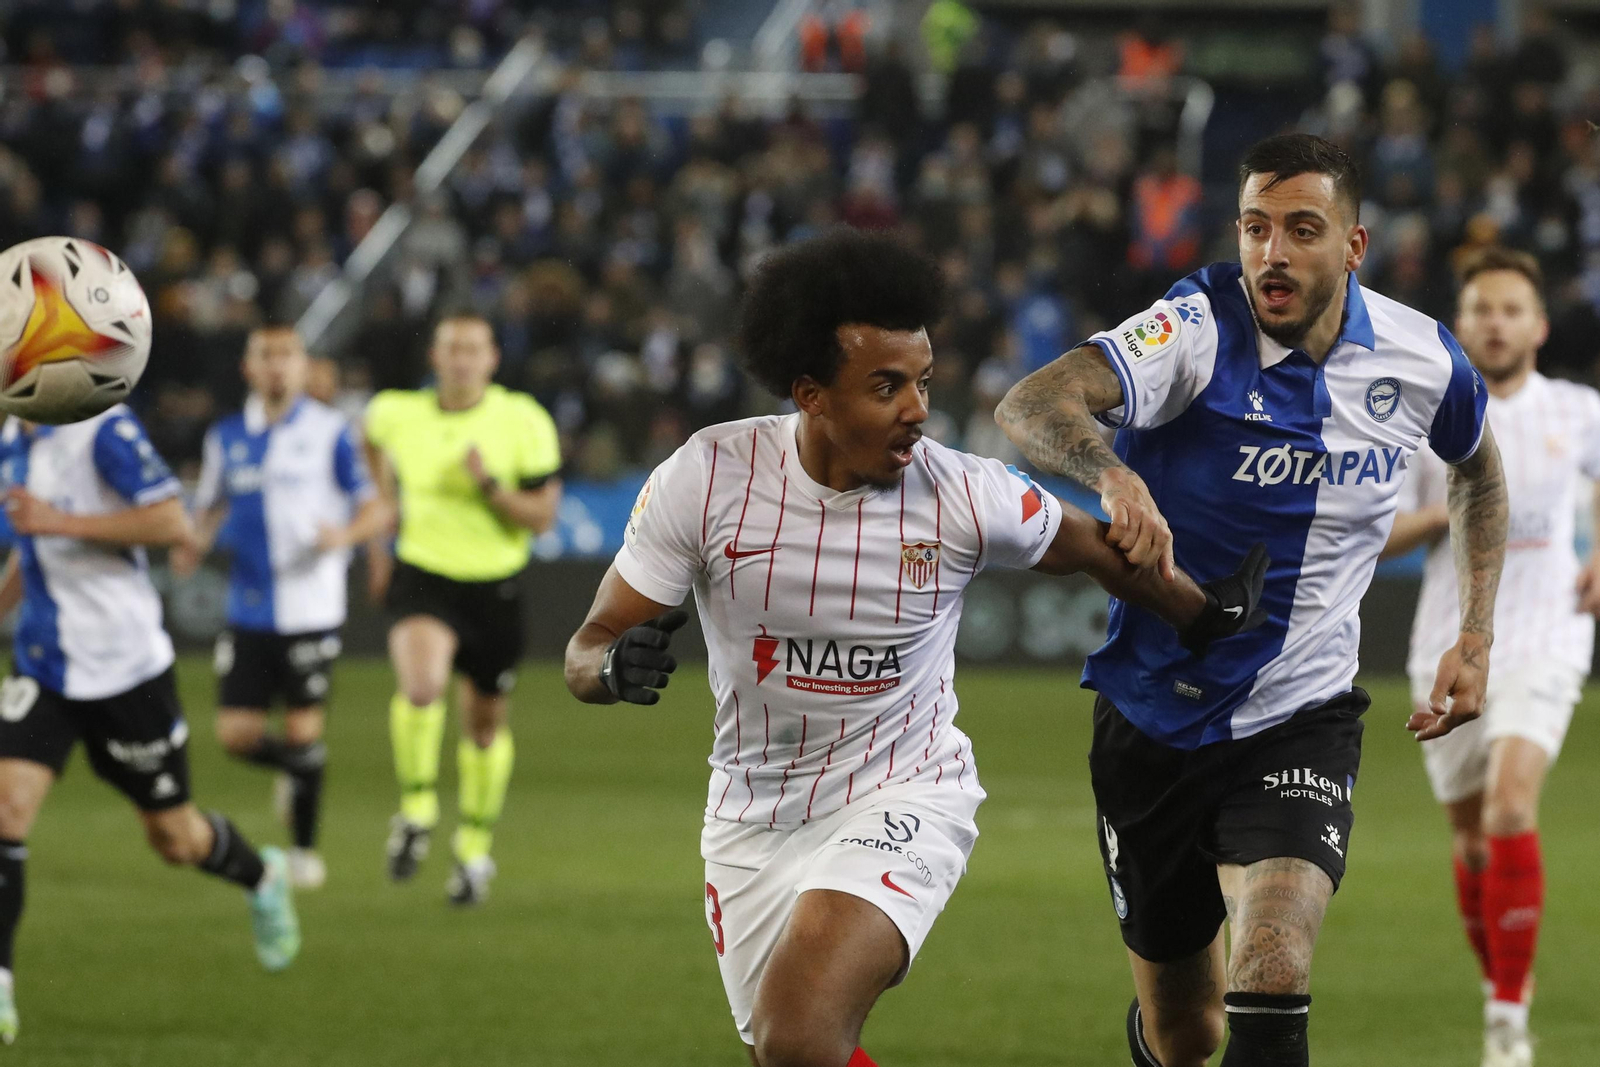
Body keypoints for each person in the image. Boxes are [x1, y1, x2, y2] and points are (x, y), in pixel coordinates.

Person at [564, 229, 1270, 1067]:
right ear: (810, 393)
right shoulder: (709, 476)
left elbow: (1095, 551)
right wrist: (610, 667)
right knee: (789, 1052)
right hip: (752, 814)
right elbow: (588, 644)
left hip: (905, 792)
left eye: (924, 381)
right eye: (886, 386)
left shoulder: (961, 490)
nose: (917, 409)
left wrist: (1203, 612)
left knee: (797, 1033)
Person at [994, 132, 1509, 1067]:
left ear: (1352, 246)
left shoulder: (1421, 356)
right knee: (1187, 1035)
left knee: (1271, 971)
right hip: (1151, 718)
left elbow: (1478, 467)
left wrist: (1474, 635)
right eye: (1256, 227)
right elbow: (1033, 402)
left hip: (1299, 716)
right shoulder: (1192, 327)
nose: (1272, 253)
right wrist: (1113, 475)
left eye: (1301, 229)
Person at [0, 405, 302, 1044]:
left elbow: (173, 522)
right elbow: (31, 552)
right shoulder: (11, 441)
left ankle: (261, 874)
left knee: (175, 840)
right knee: (6, 808)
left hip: (125, 671)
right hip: (43, 663)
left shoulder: (100, 426)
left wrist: (57, 519)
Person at [1385, 247, 1596, 1067]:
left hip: (1547, 628)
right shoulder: (1427, 420)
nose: (1496, 323)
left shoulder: (1579, 410)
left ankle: (1509, 1019)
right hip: (1448, 635)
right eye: (1481, 310)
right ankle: (1499, 981)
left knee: (1512, 805)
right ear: (1460, 325)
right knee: (1473, 837)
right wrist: (1456, 510)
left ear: (1538, 326)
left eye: (1512, 310)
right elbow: (1381, 533)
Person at [172, 325, 390, 889]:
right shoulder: (225, 437)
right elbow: (212, 506)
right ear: (249, 368)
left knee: (301, 731)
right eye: (265, 356)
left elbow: (375, 508)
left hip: (311, 610)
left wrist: (343, 539)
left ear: (302, 367)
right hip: (248, 607)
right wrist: (192, 542)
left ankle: (303, 854)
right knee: (236, 736)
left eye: (286, 356)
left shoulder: (330, 432)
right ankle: (298, 774)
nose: (276, 367)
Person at [364, 313, 563, 904]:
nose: (460, 359)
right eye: (451, 348)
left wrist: (490, 488)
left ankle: (473, 852)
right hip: (423, 575)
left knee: (483, 728)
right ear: (435, 357)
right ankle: (417, 810)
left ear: (492, 359)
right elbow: (370, 441)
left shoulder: (523, 420)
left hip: (494, 585)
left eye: (472, 349)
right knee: (422, 686)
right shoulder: (396, 412)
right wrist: (384, 515)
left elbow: (542, 517)